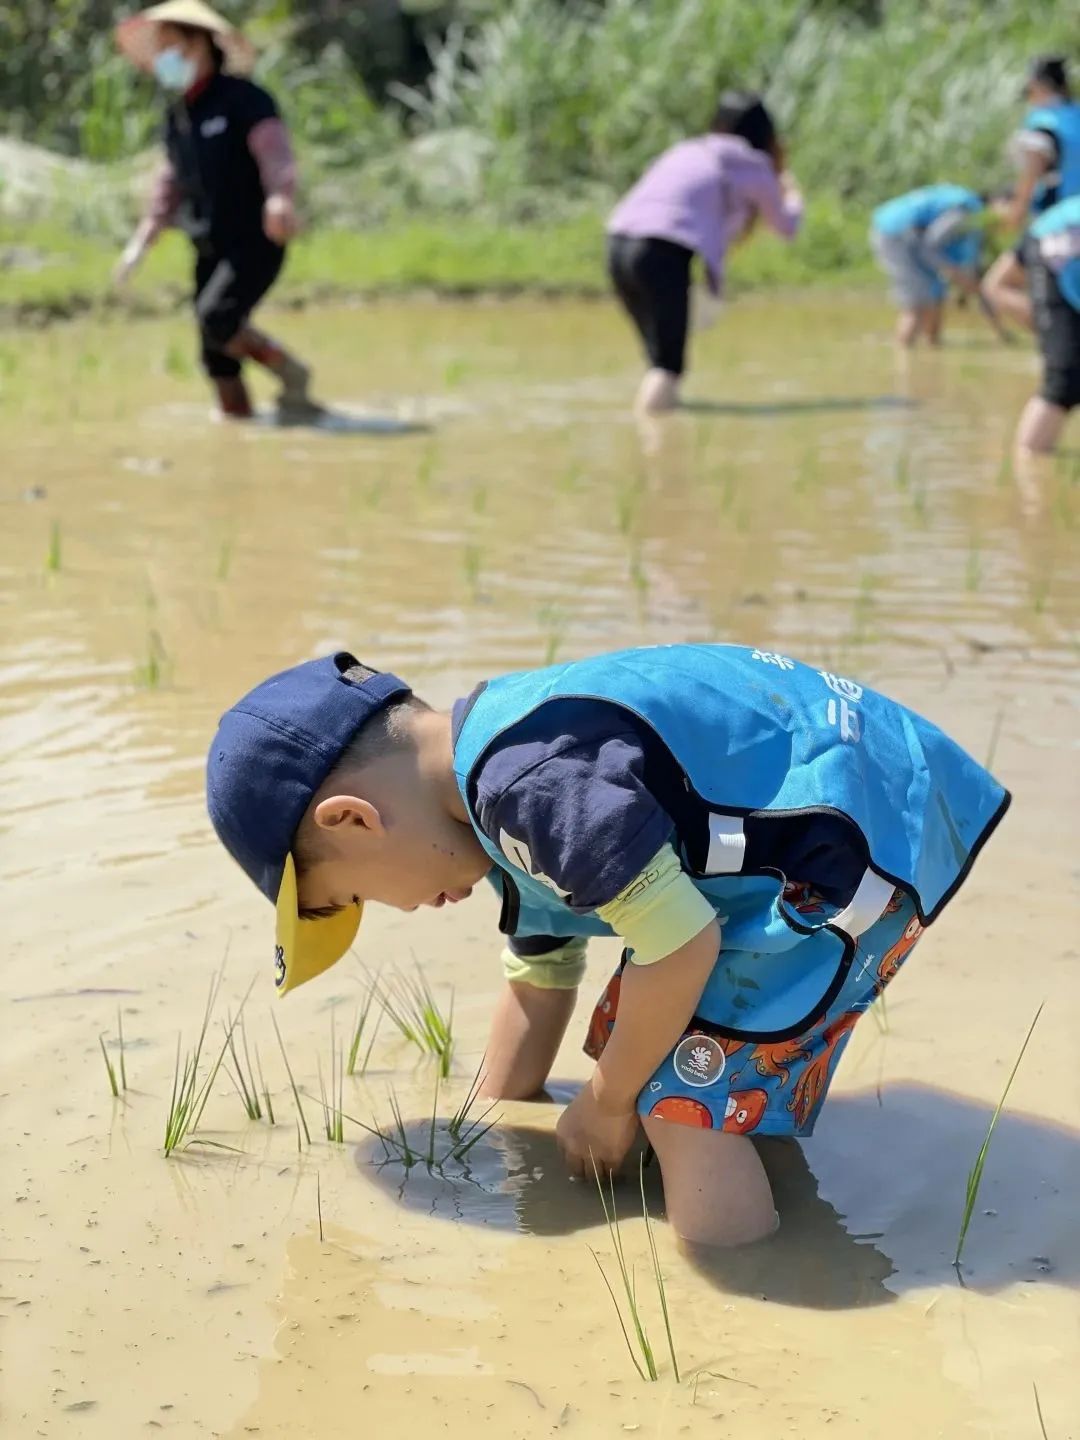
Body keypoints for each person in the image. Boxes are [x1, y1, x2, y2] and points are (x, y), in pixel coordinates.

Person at [205, 644, 1008, 1248]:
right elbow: (540, 973)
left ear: (352, 821)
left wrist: (608, 1102)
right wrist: (490, 1122)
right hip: (846, 810)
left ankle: (752, 1302)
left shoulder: (530, 786)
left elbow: (683, 946)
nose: (400, 909)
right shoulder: (492, 778)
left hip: (850, 842)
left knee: (677, 1100)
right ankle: (756, 1185)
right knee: (668, 1049)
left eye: (352, 896)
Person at [113, 1, 318, 420]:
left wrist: (280, 197)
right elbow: (170, 181)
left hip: (255, 239)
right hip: (208, 242)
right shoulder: (178, 116)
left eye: (171, 45)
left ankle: (291, 373)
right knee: (215, 355)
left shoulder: (245, 100)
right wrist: (142, 240)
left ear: (200, 44)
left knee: (218, 317)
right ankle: (237, 421)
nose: (164, 57)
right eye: (159, 48)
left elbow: (274, 152)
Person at [605, 91, 803, 415]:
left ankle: (661, 416)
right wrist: (792, 193)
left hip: (616, 244)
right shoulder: (753, 165)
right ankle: (653, 437)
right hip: (662, 252)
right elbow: (786, 227)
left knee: (658, 359)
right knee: (668, 367)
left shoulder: (687, 149)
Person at [982, 194, 1080, 455]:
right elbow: (995, 285)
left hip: (1057, 235)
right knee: (1065, 379)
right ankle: (1029, 465)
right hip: (1061, 244)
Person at [870, 184, 1009, 347]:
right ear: (999, 202)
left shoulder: (972, 221)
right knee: (917, 303)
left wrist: (1002, 333)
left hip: (910, 237)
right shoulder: (963, 212)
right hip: (896, 235)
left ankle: (932, 347)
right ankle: (903, 352)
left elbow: (977, 283)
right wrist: (954, 273)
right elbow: (929, 245)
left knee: (935, 294)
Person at [1003, 55, 1080, 229]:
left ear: (1039, 85)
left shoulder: (1043, 124)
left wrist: (1015, 215)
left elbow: (1030, 176)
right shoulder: (1076, 114)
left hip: (1061, 219)